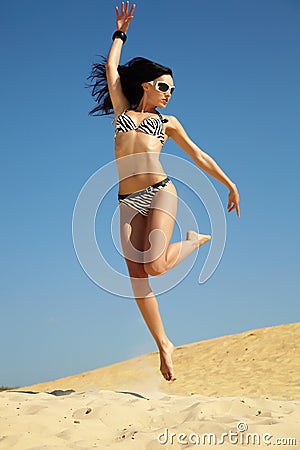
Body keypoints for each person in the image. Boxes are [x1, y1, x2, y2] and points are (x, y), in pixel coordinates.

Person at [87, 1, 240, 382]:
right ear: (146, 86)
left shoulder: (167, 123)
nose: (169, 93)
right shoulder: (124, 112)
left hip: (160, 191)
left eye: (172, 88)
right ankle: (164, 344)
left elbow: (199, 155)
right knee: (138, 277)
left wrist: (230, 183)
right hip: (126, 201)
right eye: (163, 86)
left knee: (156, 264)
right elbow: (110, 68)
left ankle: (193, 240)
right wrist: (120, 32)